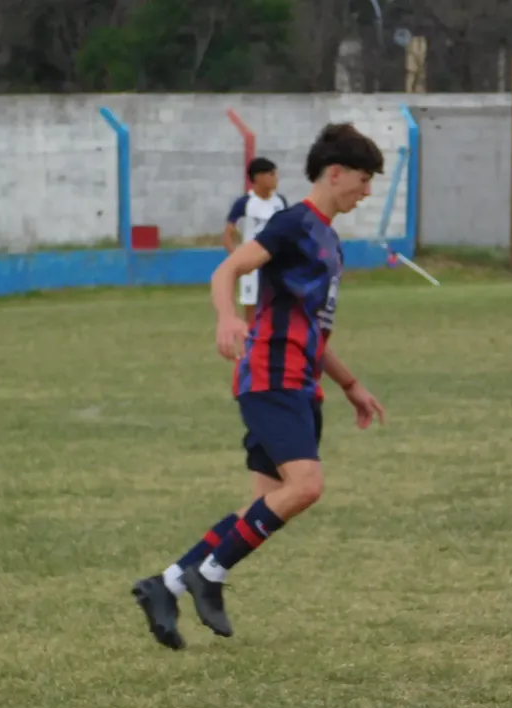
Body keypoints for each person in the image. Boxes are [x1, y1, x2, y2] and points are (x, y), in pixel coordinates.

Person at [132, 123, 387, 650]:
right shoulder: (292, 223)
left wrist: (350, 384)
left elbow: (314, 330)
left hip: (300, 380)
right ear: (334, 173)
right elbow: (227, 269)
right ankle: (211, 575)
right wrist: (227, 318)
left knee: (266, 505)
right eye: (363, 181)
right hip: (272, 376)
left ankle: (167, 585)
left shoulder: (329, 240)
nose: (367, 192)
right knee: (307, 486)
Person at [223, 158, 288, 324]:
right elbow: (229, 233)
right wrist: (236, 258)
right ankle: (250, 346)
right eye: (271, 174)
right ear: (258, 177)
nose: (276, 178)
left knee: (277, 304)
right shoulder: (245, 202)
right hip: (252, 262)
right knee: (251, 305)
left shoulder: (280, 202)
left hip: (276, 261)